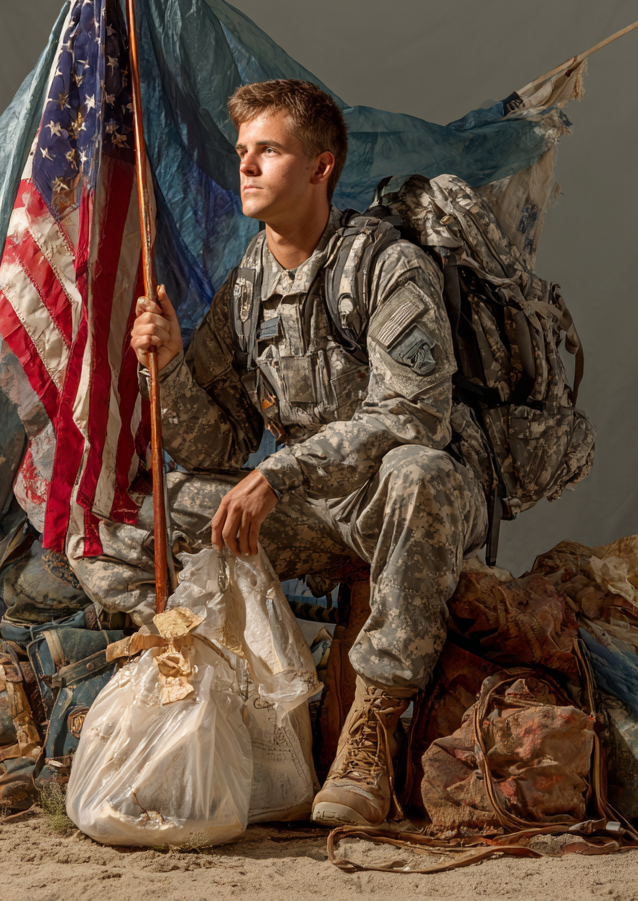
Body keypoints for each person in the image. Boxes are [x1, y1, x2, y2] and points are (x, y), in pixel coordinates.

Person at [128, 79, 487, 828]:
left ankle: (370, 732)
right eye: (241, 152)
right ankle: (187, 701)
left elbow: (415, 412)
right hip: (313, 512)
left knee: (422, 470)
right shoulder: (248, 286)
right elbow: (219, 442)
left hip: (393, 508)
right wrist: (166, 371)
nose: (248, 167)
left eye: (269, 150)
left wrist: (277, 471)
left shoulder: (386, 267)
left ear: (322, 166)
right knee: (168, 508)